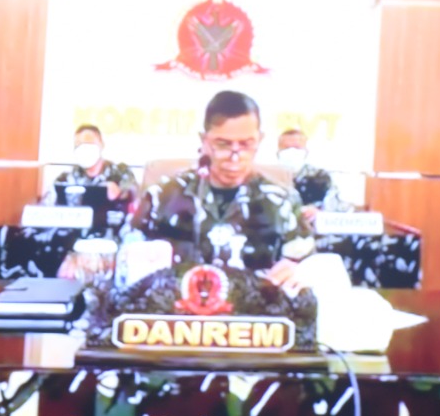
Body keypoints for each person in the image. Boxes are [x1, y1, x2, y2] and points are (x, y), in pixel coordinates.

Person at [129, 91, 315, 292]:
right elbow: (128, 260)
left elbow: (305, 261)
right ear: (204, 140)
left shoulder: (283, 202)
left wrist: (296, 270)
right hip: (175, 307)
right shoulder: (161, 197)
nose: (235, 157)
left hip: (256, 307)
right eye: (223, 144)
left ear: (260, 140)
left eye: (246, 144)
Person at [48, 124, 138, 210]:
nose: (83, 149)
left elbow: (136, 197)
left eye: (88, 143)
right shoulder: (66, 179)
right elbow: (48, 205)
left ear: (101, 144)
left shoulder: (121, 173)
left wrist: (120, 193)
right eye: (78, 145)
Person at [277, 129, 353, 221]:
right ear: (278, 152)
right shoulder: (268, 178)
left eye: (297, 148)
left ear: (306, 151)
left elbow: (340, 208)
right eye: (287, 148)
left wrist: (320, 212)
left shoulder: (321, 177)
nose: (292, 151)